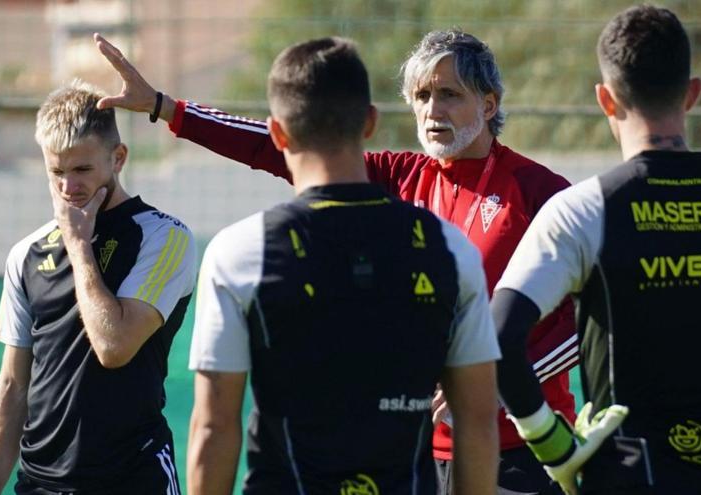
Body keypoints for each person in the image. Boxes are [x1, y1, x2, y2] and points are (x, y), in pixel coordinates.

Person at [95, 29, 576, 494]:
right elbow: (283, 145)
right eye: (422, 95)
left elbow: (588, 315)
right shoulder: (404, 176)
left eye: (448, 94)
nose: (432, 110)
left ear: (488, 105)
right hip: (417, 453)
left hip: (519, 448)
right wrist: (166, 109)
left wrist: (499, 378)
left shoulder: (540, 193)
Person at [492, 5, 701, 495]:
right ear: (693, 92)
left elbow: (497, 337)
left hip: (622, 480)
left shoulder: (581, 211)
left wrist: (553, 445)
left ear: (605, 99)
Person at [186, 37, 500, 495]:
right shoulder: (451, 250)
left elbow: (213, 428)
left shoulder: (238, 252)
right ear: (370, 122)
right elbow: (476, 422)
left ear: (278, 134)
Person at [0, 81, 197, 495]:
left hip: (132, 478)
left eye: (82, 170)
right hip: (39, 482)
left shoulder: (163, 237)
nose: (67, 188)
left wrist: (79, 245)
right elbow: (13, 385)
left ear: (118, 158)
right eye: (56, 172)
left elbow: (114, 346)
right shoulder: (27, 254)